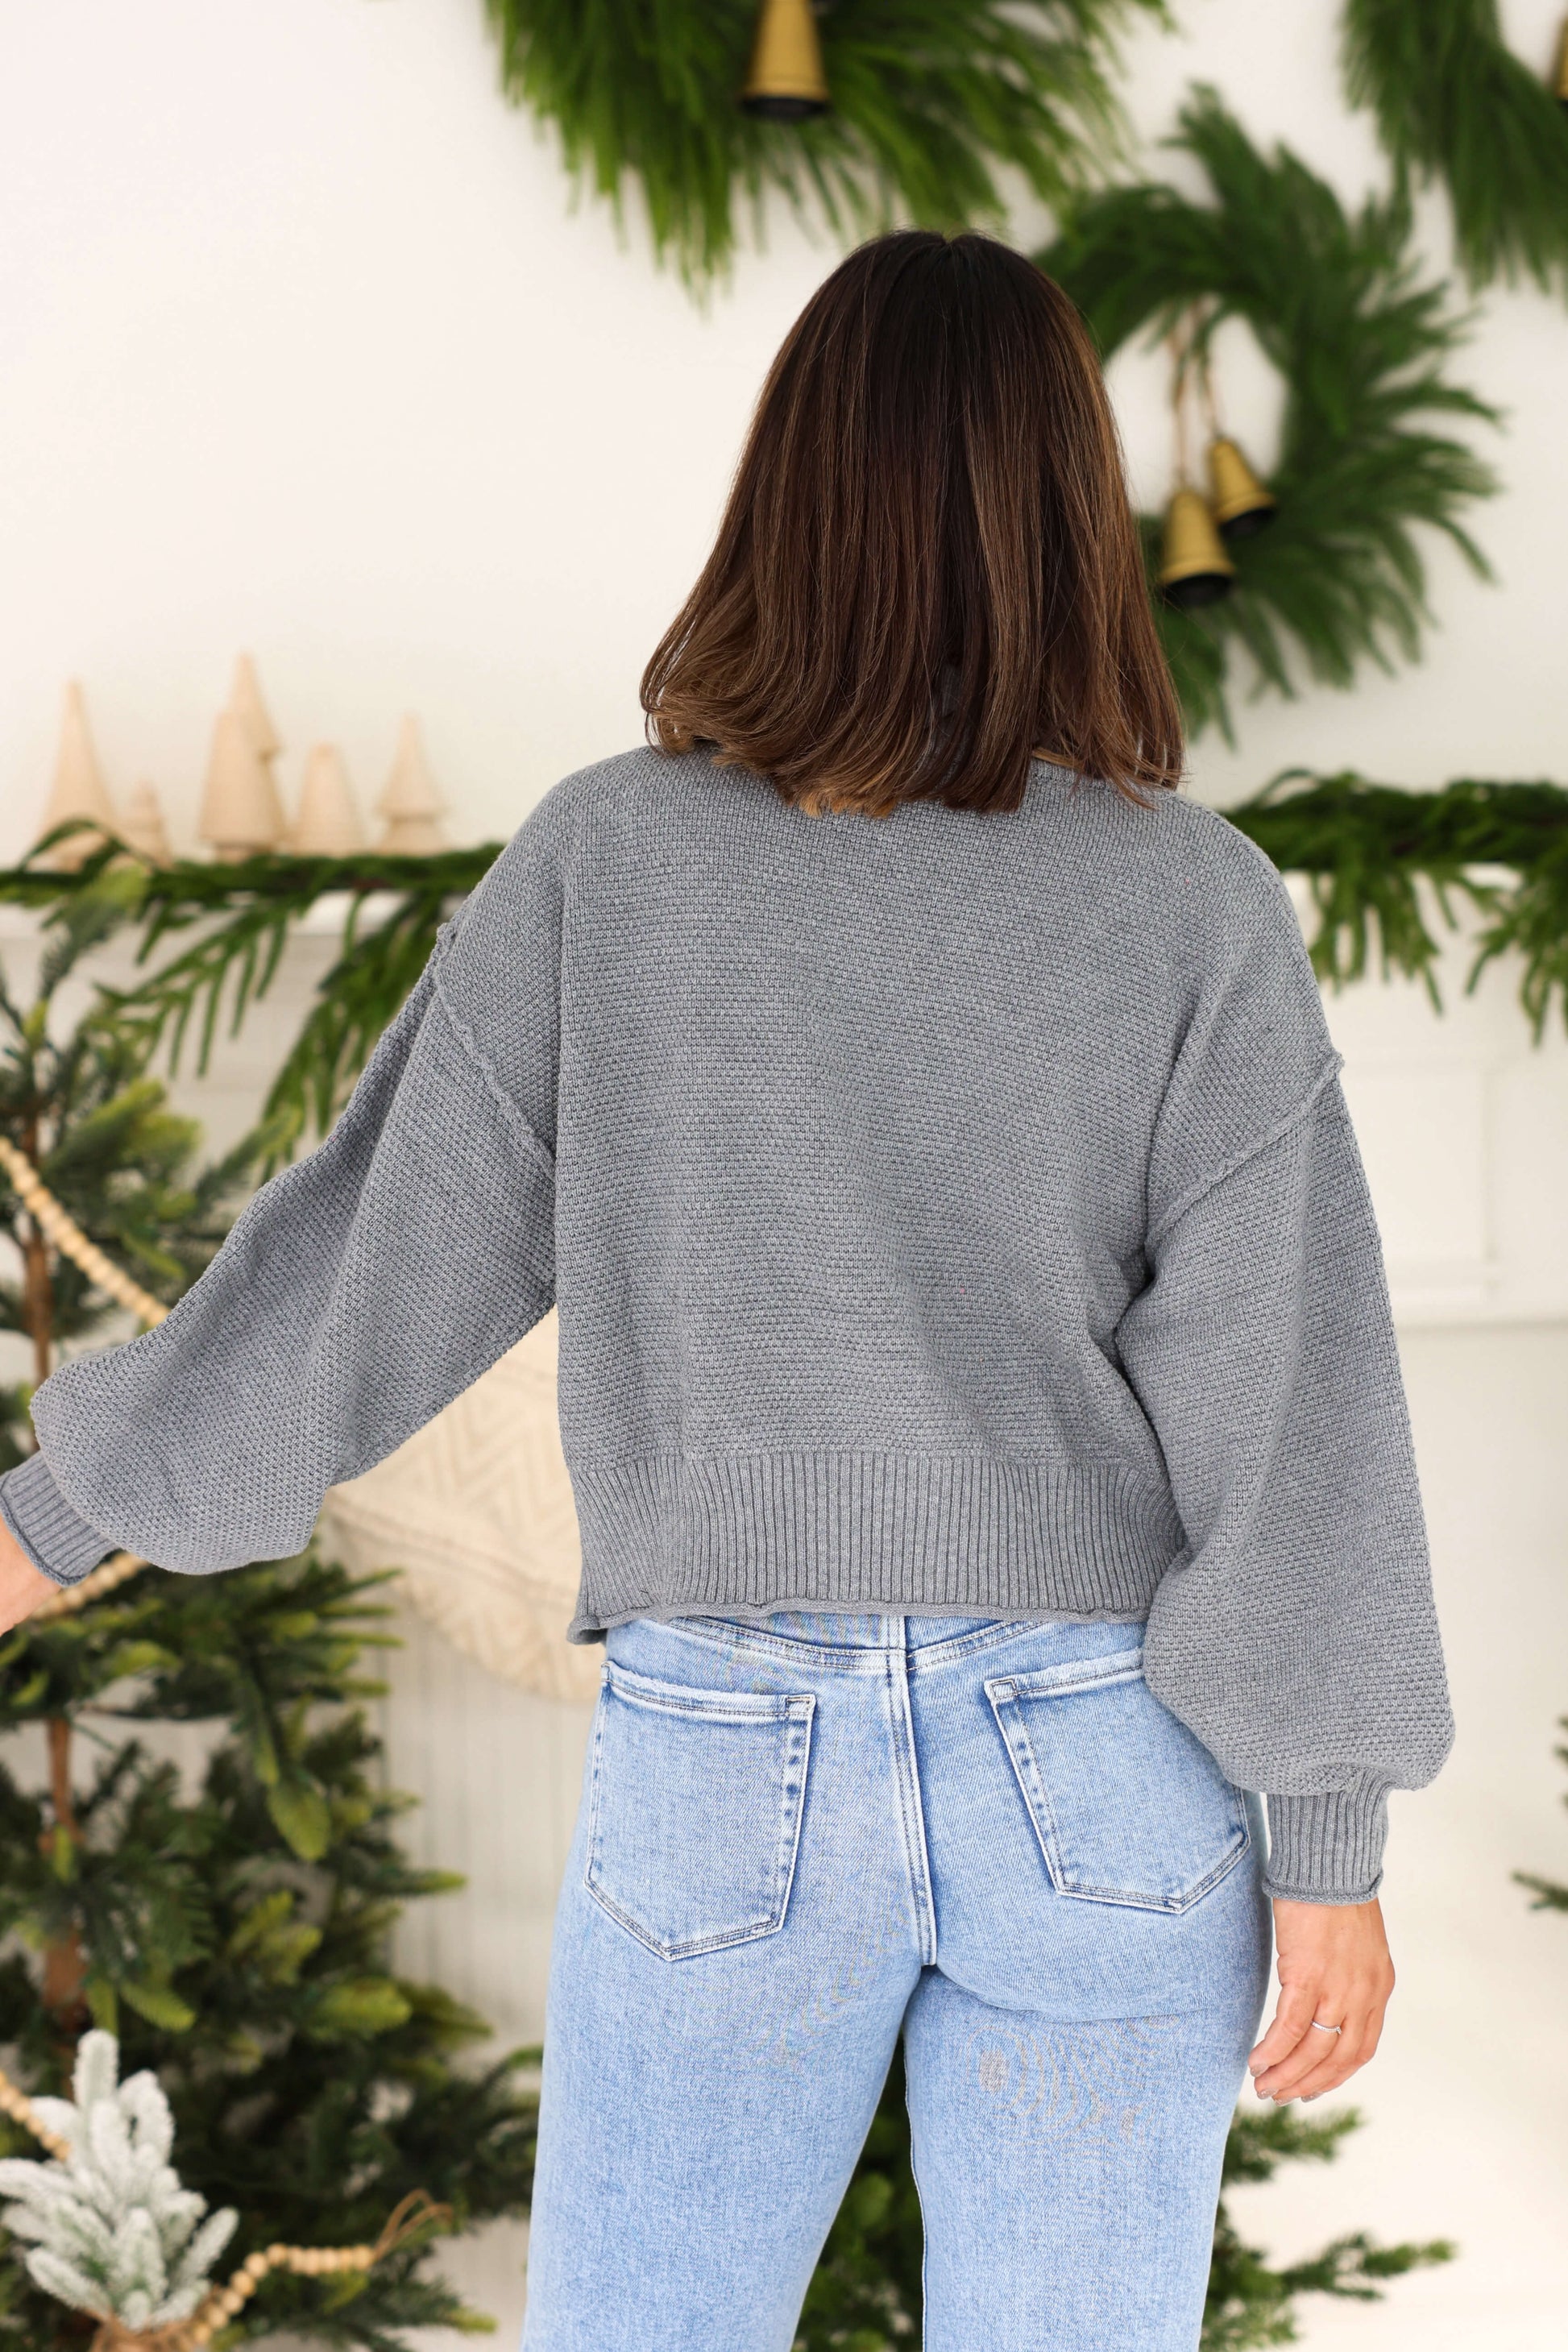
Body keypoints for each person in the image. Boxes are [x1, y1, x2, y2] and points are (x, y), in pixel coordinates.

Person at [0, 231, 1452, 2351]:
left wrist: (47, 1525)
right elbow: (1288, 1397)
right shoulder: (1185, 902)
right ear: (1070, 515)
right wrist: (1323, 1841)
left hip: (729, 1744)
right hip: (1097, 1761)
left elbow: (368, 1260)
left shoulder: (612, 862)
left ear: (786, 499)